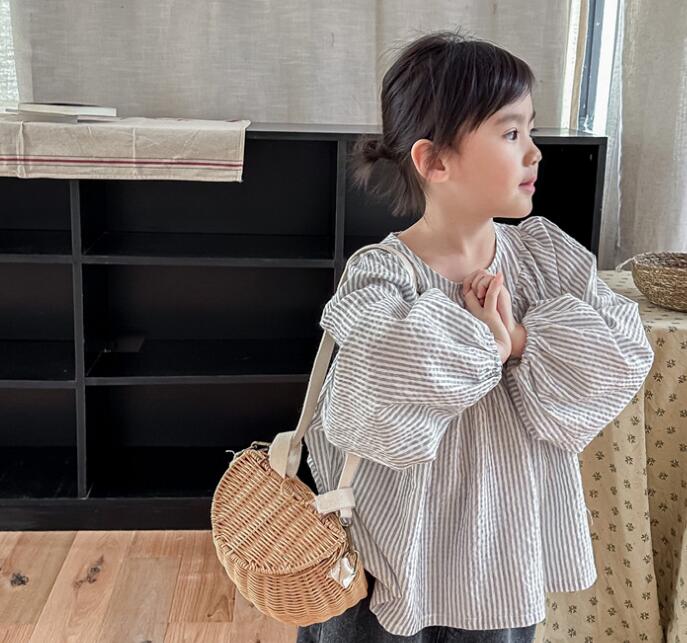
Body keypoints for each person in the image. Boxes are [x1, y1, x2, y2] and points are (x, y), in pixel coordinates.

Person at [296, 27, 655, 643]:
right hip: (391, 555)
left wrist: (518, 339)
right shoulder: (382, 275)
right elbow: (372, 392)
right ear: (435, 161)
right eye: (511, 133)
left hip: (501, 555)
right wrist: (483, 344)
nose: (534, 152)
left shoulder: (544, 258)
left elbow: (621, 352)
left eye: (531, 130)